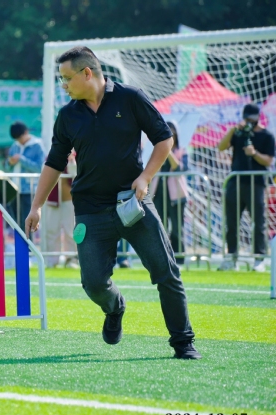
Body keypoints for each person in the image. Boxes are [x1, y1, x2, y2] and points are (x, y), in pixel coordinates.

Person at [25, 46, 200, 359]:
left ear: (87, 73)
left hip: (134, 203)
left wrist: (145, 177)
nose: (63, 85)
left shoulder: (130, 98)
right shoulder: (67, 116)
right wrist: (35, 206)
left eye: (66, 78)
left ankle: (183, 343)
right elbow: (54, 162)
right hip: (90, 211)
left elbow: (164, 139)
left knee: (166, 272)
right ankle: (115, 307)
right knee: (93, 284)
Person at [217, 103, 275, 272]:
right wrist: (232, 130)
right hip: (235, 182)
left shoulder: (267, 136)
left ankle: (259, 258)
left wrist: (254, 153)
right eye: (246, 118)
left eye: (251, 118)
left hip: (256, 184)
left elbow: (269, 160)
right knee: (231, 222)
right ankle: (231, 257)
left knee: (258, 222)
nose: (248, 121)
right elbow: (221, 147)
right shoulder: (238, 133)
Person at [150, 121, 189, 265]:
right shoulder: (156, 150)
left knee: (177, 229)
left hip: (177, 196)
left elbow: (180, 169)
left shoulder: (181, 151)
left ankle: (179, 259)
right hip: (158, 194)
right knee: (160, 228)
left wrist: (167, 150)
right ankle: (163, 259)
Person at [5, 121, 45, 230]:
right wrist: (10, 162)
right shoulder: (15, 145)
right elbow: (7, 166)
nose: (19, 141)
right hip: (14, 188)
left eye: (20, 138)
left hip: (29, 190)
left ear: (26, 132)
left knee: (28, 223)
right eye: (16, 139)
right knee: (15, 223)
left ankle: (28, 242)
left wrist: (21, 159)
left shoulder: (37, 145)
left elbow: (40, 167)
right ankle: (20, 242)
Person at [44, 152, 79, 269]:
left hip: (70, 199)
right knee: (52, 230)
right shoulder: (52, 154)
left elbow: (75, 175)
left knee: (70, 230)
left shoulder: (76, 155)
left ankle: (71, 259)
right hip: (53, 199)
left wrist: (72, 161)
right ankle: (52, 260)